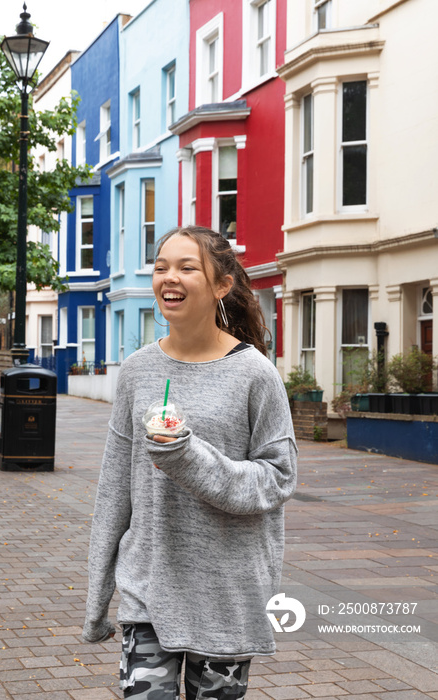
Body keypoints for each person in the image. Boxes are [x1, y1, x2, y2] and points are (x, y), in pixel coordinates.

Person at [82, 226, 298, 699]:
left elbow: (277, 480)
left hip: (226, 594)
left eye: (186, 267)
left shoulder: (255, 374)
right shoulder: (138, 370)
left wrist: (187, 456)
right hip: (149, 589)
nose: (168, 277)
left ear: (222, 285)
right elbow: (115, 487)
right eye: (160, 267)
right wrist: (98, 597)